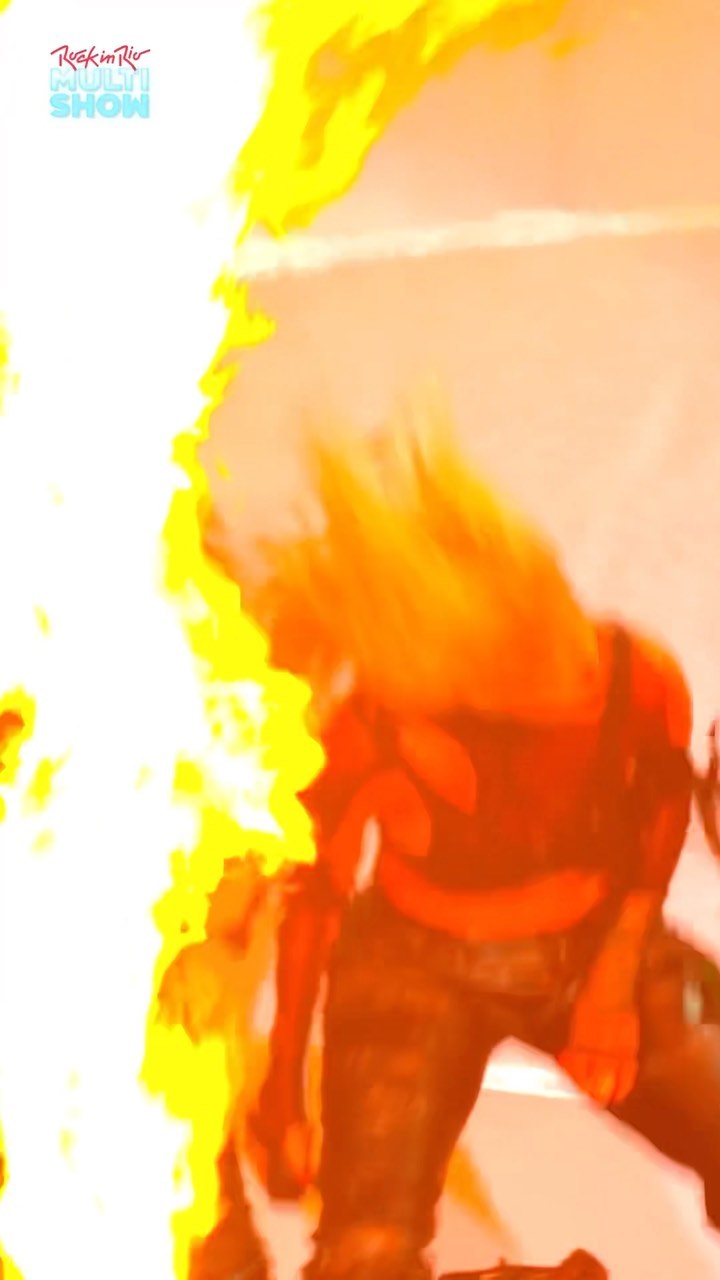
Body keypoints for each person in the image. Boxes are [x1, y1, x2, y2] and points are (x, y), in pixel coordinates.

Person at [208, 407, 720, 1280]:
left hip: (596, 939)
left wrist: (611, 976)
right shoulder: (373, 734)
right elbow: (314, 905)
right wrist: (282, 1091)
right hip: (413, 972)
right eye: (547, 668)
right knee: (366, 1257)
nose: (582, 664)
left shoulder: (635, 675)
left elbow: (659, 812)